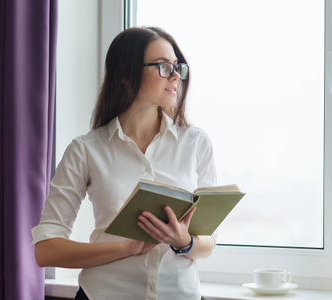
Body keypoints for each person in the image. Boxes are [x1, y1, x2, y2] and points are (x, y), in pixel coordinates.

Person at [31, 27, 217, 300]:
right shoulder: (86, 150)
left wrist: (183, 242)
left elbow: (209, 243)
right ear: (127, 76)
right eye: (164, 66)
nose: (176, 75)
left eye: (178, 67)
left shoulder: (196, 143)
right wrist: (125, 248)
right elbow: (46, 249)